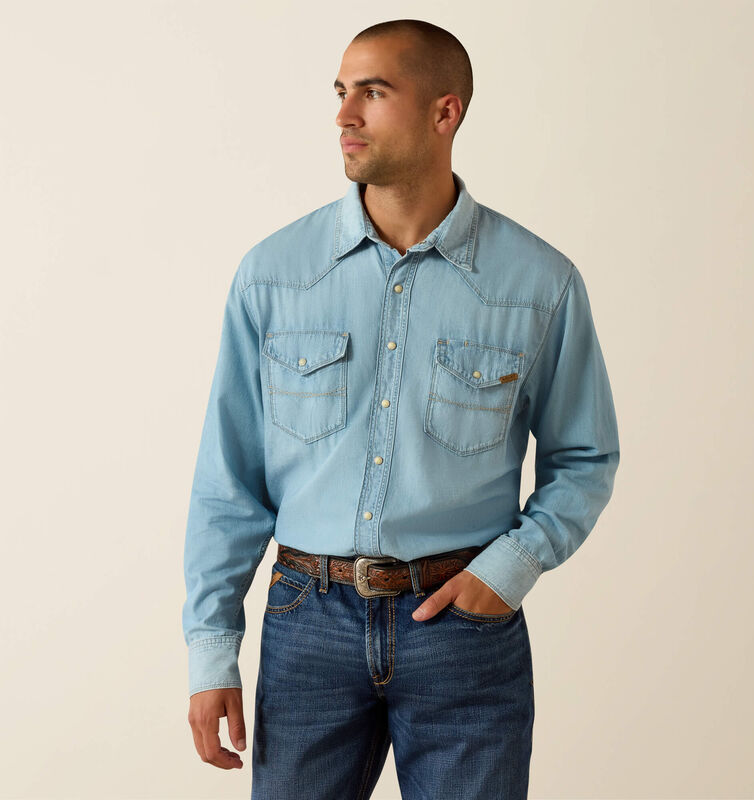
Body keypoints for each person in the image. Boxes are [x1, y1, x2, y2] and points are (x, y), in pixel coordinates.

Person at [182, 18, 620, 800]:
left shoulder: (538, 283)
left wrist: (511, 569)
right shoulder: (274, 274)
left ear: (445, 112)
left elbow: (585, 457)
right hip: (307, 625)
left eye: (373, 92)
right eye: (341, 91)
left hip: (463, 629)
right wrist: (212, 650)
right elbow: (229, 478)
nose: (344, 114)